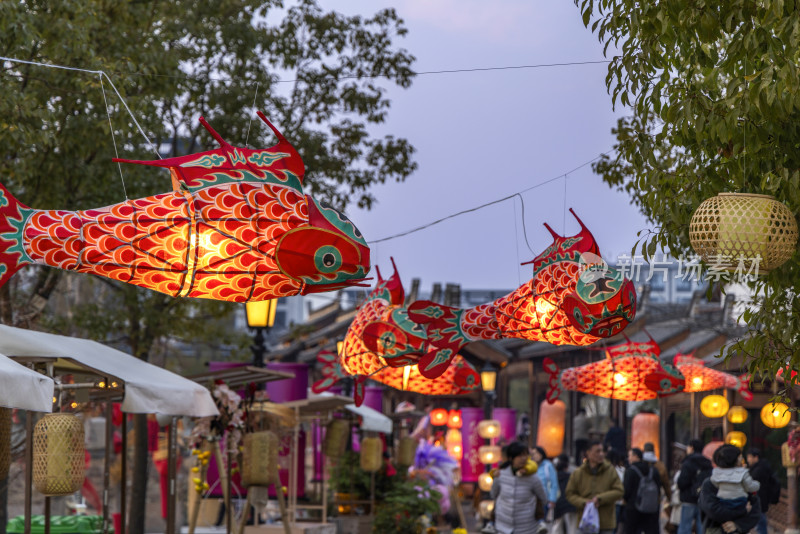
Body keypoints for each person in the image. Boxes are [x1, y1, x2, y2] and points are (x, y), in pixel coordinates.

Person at [566, 440, 624, 534]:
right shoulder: (579, 473)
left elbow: (619, 491)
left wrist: (600, 499)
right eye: (597, 451)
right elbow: (570, 494)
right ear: (588, 453)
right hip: (585, 522)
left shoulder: (610, 471)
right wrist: (584, 502)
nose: (601, 454)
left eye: (602, 451)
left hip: (605, 523)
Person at [490, 441, 548, 534]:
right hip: (502, 526)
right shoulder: (501, 475)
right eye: (520, 456)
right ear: (511, 458)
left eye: (525, 455)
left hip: (527, 528)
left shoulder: (533, 478)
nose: (523, 458)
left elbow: (543, 498)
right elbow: (493, 494)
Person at [698, 466, 762, 534]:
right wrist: (743, 511)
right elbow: (712, 510)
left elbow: (755, 510)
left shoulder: (709, 483)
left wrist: (738, 525)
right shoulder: (710, 483)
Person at [677, 439, 713, 534]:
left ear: (691, 448)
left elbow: (682, 482)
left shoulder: (688, 462)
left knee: (685, 527)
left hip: (688, 498)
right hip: (703, 498)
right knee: (701, 526)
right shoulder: (707, 463)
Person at [623, 448, 661, 534]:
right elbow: (658, 488)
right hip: (650, 507)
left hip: (633, 507)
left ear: (636, 456)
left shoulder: (630, 471)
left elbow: (626, 491)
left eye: (630, 456)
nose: (628, 458)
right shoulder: (653, 470)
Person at [748, 447, 780, 534]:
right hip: (761, 499)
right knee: (760, 521)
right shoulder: (761, 467)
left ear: (756, 457)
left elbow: (750, 481)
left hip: (760, 499)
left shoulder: (759, 470)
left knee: (760, 523)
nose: (748, 459)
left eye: (750, 457)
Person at [532, 446, 559, 519]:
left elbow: (554, 484)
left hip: (544, 500)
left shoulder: (548, 465)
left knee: (541, 523)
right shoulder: (531, 466)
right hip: (532, 500)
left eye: (536, 453)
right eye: (533, 454)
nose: (534, 455)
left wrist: (552, 500)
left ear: (541, 454)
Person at [552, 454, 577, 534]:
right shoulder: (572, 476)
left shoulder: (554, 478)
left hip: (559, 505)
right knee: (572, 527)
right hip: (572, 505)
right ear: (566, 467)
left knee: (558, 527)